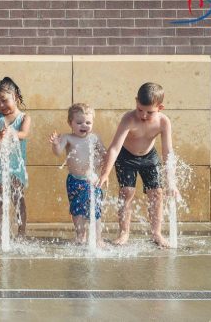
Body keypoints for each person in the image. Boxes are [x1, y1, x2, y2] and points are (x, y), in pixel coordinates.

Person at [97, 82, 180, 248]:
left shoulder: (164, 122)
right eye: (140, 109)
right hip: (126, 157)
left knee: (157, 193)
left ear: (160, 107)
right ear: (136, 101)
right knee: (127, 191)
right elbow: (114, 148)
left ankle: (156, 233)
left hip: (149, 157)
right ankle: (124, 232)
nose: (143, 115)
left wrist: (172, 182)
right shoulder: (128, 119)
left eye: (149, 112)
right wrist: (105, 173)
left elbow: (167, 153)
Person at [50, 103, 106, 247]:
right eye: (79, 122)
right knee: (77, 210)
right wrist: (56, 144)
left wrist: (102, 166)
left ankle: (98, 238)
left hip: (92, 180)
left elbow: (104, 154)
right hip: (74, 180)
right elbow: (57, 153)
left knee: (95, 209)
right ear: (70, 123)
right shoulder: (68, 138)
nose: (84, 125)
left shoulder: (95, 138)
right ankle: (81, 235)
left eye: (88, 122)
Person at [0, 77, 31, 239]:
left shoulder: (24, 117)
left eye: (4, 100)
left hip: (17, 165)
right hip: (1, 164)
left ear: (15, 97)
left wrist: (11, 133)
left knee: (18, 197)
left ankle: (21, 232)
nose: (1, 105)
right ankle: (0, 232)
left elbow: (23, 134)